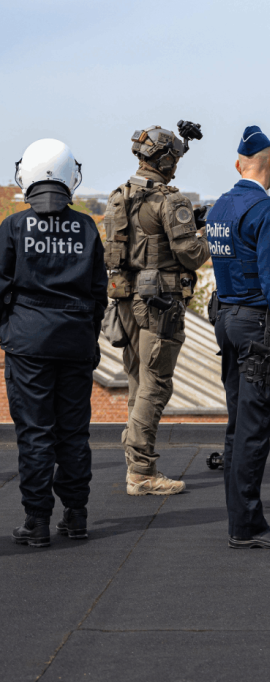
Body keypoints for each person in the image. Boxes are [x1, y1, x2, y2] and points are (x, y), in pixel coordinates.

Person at [1, 139, 107, 547]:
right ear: (69, 177)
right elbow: (99, 292)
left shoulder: (13, 226)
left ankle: (37, 521)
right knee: (74, 432)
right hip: (76, 340)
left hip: (28, 343)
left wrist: (9, 331)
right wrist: (86, 331)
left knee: (35, 433)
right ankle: (76, 516)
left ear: (25, 175)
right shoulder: (86, 226)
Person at [207, 126, 270, 549]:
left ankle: (239, 521)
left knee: (237, 426)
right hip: (258, 328)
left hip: (226, 320)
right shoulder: (267, 211)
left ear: (237, 164)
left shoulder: (218, 208)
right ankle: (247, 526)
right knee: (254, 430)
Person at [104, 125, 209, 496]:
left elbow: (137, 244)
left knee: (137, 380)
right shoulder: (170, 200)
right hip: (159, 304)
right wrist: (206, 234)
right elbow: (191, 255)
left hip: (124, 299)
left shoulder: (119, 196)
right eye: (174, 158)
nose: (176, 164)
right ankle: (143, 473)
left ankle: (136, 461)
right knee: (156, 383)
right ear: (165, 160)